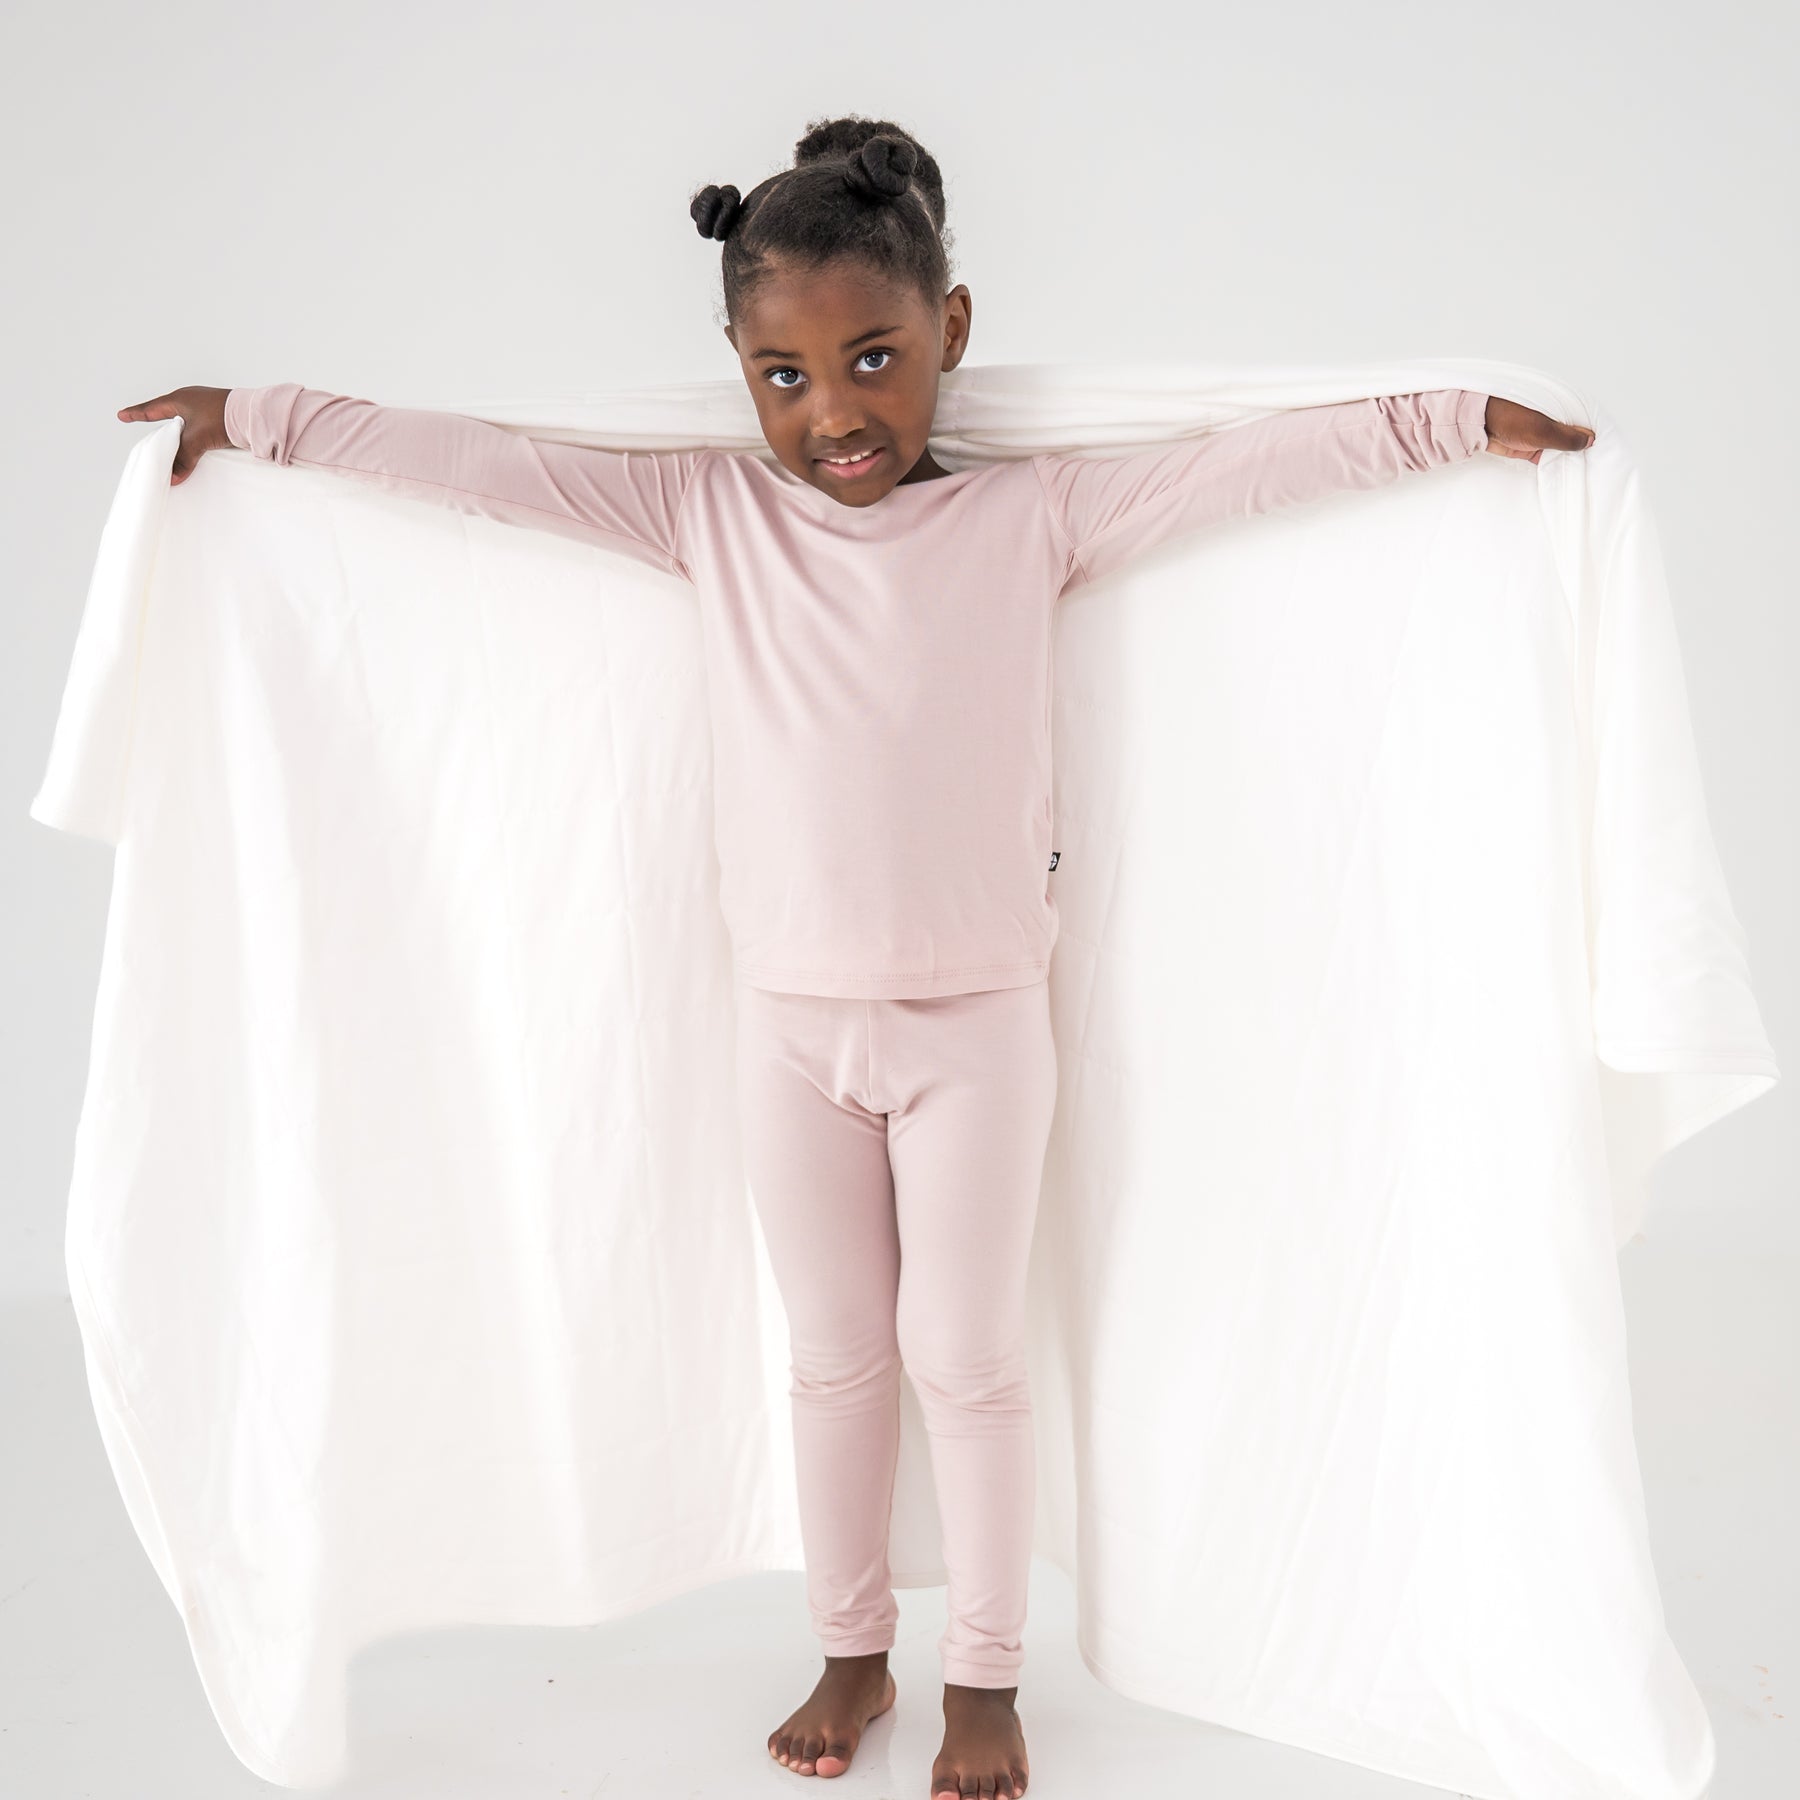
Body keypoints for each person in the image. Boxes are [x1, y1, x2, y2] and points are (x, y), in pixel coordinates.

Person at [117, 111, 1595, 1800]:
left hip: (976, 1029)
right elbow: (473, 461)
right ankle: (847, 1647)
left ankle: (986, 1674)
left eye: (874, 360)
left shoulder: (1032, 522)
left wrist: (1450, 422)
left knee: (967, 1359)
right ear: (738, 375)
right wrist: (257, 420)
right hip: (789, 1035)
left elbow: (1243, 468)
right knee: (832, 1358)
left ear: (951, 334)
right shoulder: (705, 520)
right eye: (784, 378)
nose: (833, 415)